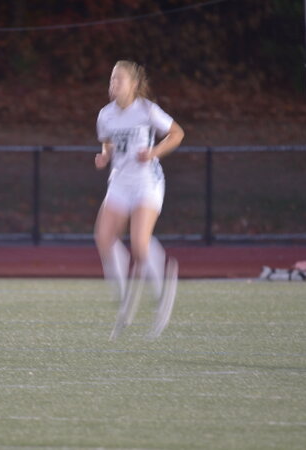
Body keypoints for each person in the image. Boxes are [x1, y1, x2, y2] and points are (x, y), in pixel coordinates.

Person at [94, 60, 185, 340]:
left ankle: (161, 290)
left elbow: (177, 134)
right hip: (120, 182)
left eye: (119, 79)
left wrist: (154, 153)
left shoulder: (146, 110)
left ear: (134, 84)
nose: (113, 85)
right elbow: (108, 140)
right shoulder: (105, 115)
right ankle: (125, 296)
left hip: (147, 182)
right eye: (111, 79)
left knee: (139, 243)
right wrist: (105, 155)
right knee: (103, 237)